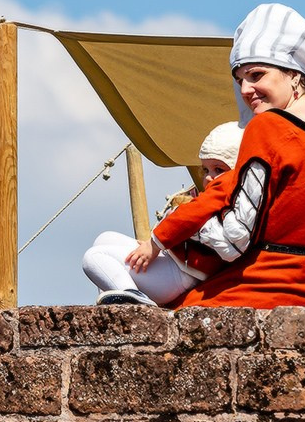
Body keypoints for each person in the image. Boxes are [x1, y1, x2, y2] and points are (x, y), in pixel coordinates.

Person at [126, 2, 305, 309]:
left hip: (265, 286)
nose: (246, 89)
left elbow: (235, 236)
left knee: (104, 259)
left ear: (293, 73)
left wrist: (181, 223)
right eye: (240, 80)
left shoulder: (270, 126)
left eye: (256, 74)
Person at [81, 121, 244, 306]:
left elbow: (188, 216)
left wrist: (153, 245)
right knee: (105, 238)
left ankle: (133, 300)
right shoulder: (222, 190)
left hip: (181, 275)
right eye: (205, 169)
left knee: (93, 258)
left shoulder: (227, 188)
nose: (208, 177)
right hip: (176, 261)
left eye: (218, 169)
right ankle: (120, 293)